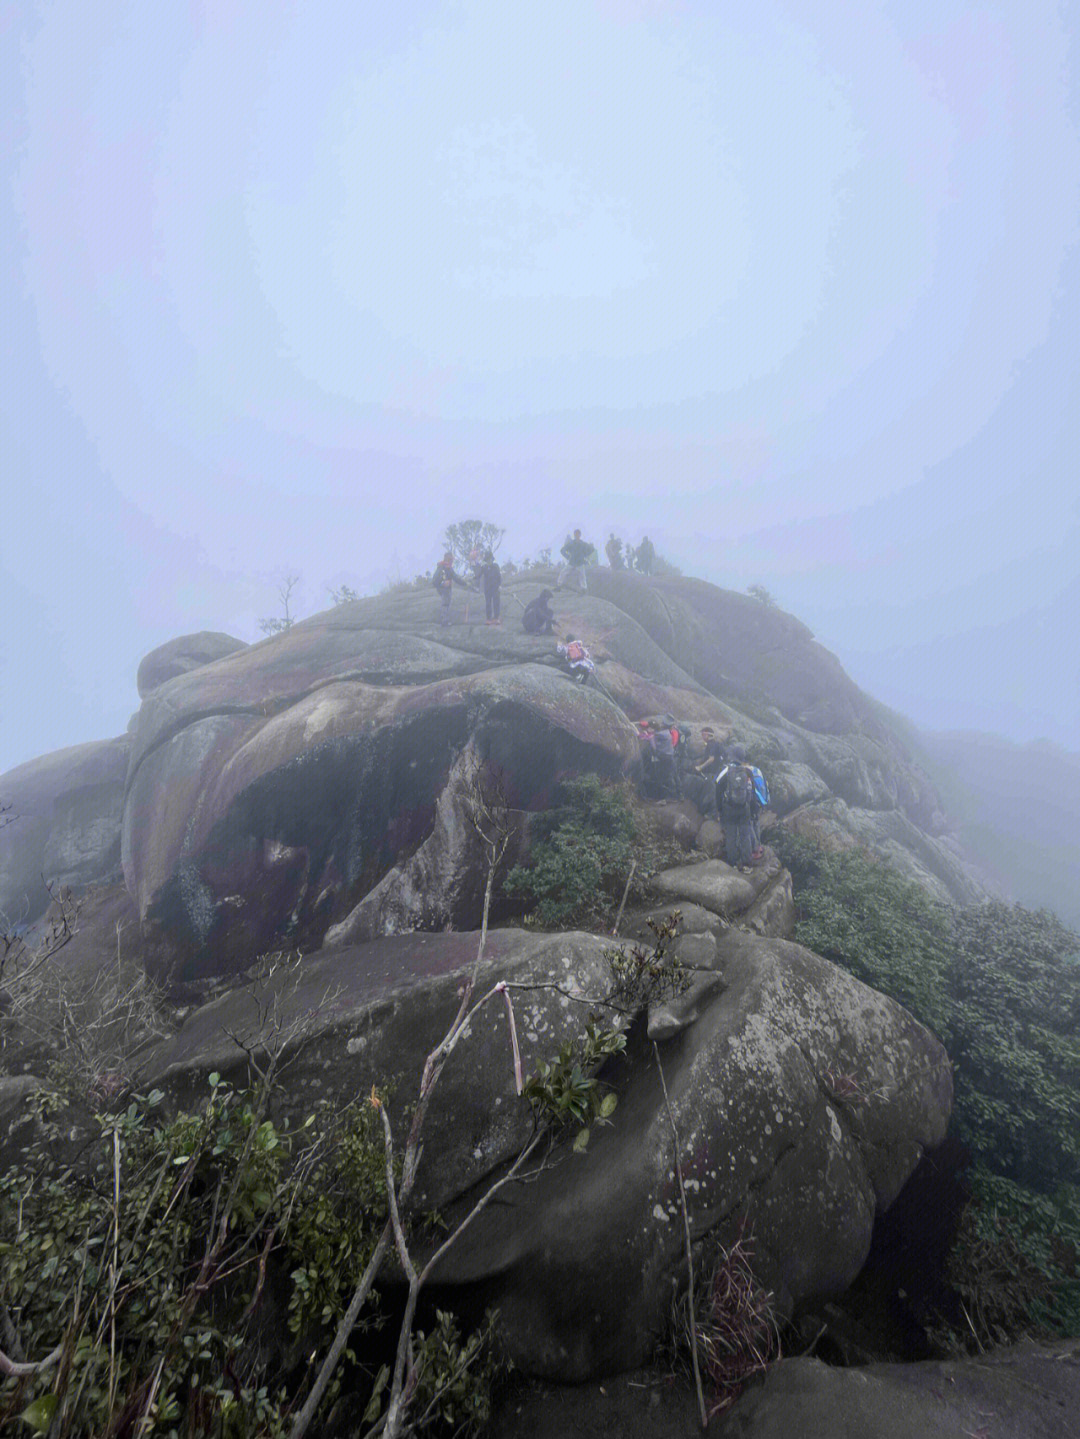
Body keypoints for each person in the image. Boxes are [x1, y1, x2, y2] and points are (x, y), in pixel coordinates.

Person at [715, 760, 757, 869]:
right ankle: (747, 864)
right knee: (745, 835)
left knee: (731, 836)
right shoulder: (747, 772)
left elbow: (718, 789)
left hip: (729, 809)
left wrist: (719, 810)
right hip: (744, 809)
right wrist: (753, 810)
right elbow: (753, 792)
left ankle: (733, 863)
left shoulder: (726, 772)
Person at [431, 552, 472, 626]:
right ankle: (444, 621)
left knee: (447, 602)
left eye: (451, 559)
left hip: (446, 589)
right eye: (450, 559)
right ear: (446, 558)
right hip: (443, 589)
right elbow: (434, 581)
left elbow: (456, 578)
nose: (451, 561)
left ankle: (445, 619)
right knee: (445, 603)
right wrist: (442, 583)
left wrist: (465, 583)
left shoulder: (447, 568)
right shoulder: (442, 567)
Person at [648, 718, 678, 799]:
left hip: (663, 758)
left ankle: (665, 798)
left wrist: (650, 737)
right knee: (669, 776)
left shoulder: (660, 734)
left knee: (662, 777)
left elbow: (654, 747)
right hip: (669, 757)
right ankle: (673, 796)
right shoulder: (667, 733)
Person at [480, 551, 502, 625]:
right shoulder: (484, 567)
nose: (489, 561)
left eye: (490, 559)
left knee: (496, 603)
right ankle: (488, 619)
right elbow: (478, 575)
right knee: (488, 604)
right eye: (487, 559)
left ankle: (496, 618)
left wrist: (499, 585)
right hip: (487, 589)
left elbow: (499, 577)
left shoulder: (496, 566)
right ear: (486, 560)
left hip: (496, 588)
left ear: (492, 559)